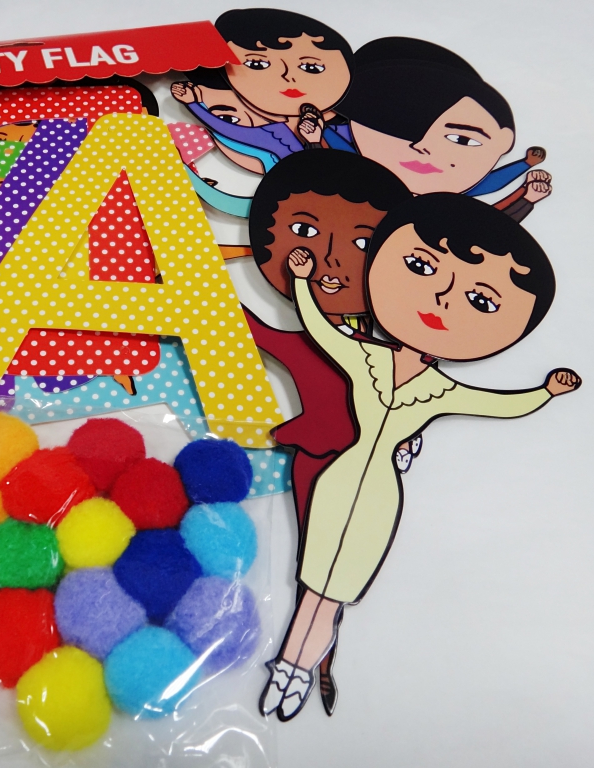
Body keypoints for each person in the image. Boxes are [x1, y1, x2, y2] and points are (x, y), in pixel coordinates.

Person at [260, 192, 581, 721]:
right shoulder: (365, 357)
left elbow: (499, 404)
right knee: (313, 586)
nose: (442, 301)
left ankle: (296, 672)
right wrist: (301, 281)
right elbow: (319, 328)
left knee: (334, 597)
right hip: (337, 481)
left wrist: (546, 392)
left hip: (379, 498)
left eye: (481, 302)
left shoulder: (442, 389)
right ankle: (288, 669)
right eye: (421, 268)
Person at [246, 149, 413, 713]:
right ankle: (312, 663)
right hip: (318, 462)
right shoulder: (311, 340)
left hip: (371, 471)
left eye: (365, 243)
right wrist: (187, 283)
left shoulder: (390, 353)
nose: (333, 259)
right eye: (303, 232)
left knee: (336, 572)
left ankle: (313, 661)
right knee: (316, 567)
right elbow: (258, 332)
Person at [335, 37, 552, 212]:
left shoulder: (448, 207)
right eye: (396, 128)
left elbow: (490, 196)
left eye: (462, 139)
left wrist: (526, 186)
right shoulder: (347, 170)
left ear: (504, 141)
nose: (421, 146)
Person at [171, 9, 354, 173]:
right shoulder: (273, 132)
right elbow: (231, 130)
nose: (288, 76)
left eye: (311, 67)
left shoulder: (348, 128)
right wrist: (194, 104)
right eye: (257, 64)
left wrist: (314, 140)